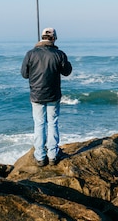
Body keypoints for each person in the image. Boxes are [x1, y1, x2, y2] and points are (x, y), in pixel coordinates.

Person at [21, 27, 73, 166]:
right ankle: (52, 155)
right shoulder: (59, 54)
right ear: (54, 38)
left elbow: (24, 74)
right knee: (52, 123)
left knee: (39, 124)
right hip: (53, 95)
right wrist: (64, 61)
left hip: (37, 95)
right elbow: (67, 72)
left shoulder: (30, 54)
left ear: (42, 37)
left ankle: (40, 156)